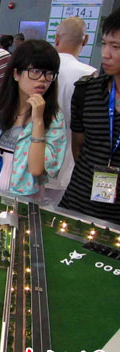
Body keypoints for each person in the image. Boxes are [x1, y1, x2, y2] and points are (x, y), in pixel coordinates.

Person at [0, 40, 66, 198]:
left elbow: (37, 169)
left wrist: (38, 121)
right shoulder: (0, 104)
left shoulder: (54, 117)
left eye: (49, 73)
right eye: (35, 71)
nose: (42, 79)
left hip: (24, 196)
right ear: (16, 74)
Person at [59, 8, 120, 223]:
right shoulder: (87, 90)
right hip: (78, 201)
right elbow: (78, 146)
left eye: (115, 47)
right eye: (104, 44)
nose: (106, 54)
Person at [44, 17, 97, 205]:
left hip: (29, 157)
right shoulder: (89, 75)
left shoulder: (37, 68)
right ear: (86, 40)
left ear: (56, 38)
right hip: (68, 160)